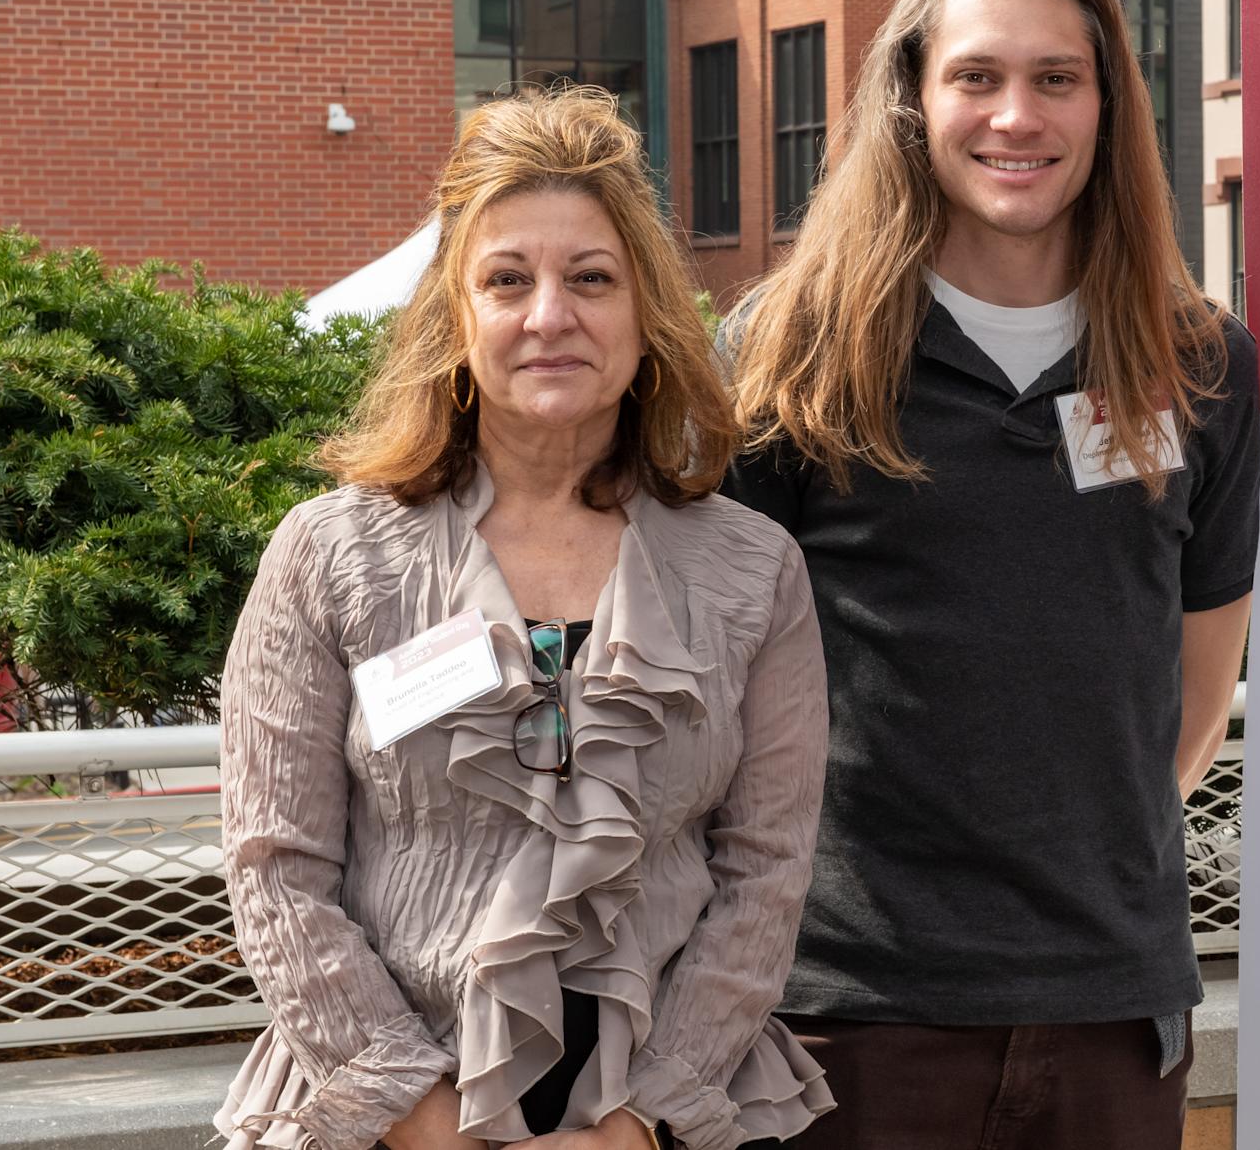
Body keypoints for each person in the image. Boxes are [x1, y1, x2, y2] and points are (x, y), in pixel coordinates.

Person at [722, 0, 1260, 1148]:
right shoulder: (789, 354)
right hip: (845, 1023)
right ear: (913, 99)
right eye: (977, 76)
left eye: (1054, 79)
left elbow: (1196, 691)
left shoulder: (1201, 364)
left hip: (1112, 1014)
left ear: (1106, 106)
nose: (1015, 116)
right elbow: (714, 691)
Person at [212, 88, 833, 1150]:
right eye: (508, 280)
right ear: (456, 318)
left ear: (649, 313)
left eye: (591, 279)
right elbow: (276, 866)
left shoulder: (752, 570)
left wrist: (638, 1126)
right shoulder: (330, 556)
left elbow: (765, 872)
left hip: (661, 1120)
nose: (550, 315)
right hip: (382, 1117)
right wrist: (424, 1121)